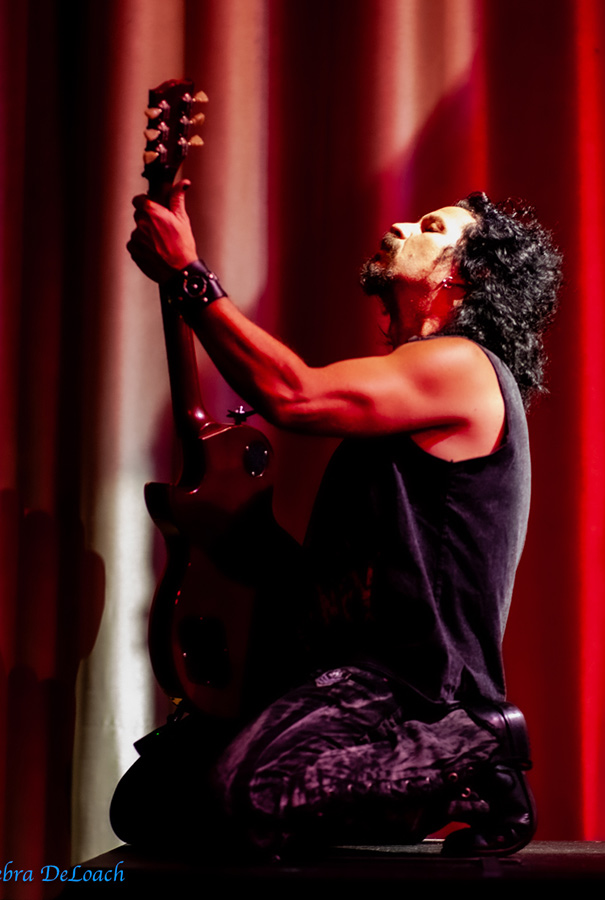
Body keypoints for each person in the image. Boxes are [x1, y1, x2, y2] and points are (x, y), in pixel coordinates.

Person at [113, 184, 562, 859]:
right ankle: (412, 784)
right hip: (335, 679)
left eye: (431, 226)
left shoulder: (463, 367)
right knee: (150, 804)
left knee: (245, 793)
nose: (399, 222)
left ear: (465, 276)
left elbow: (293, 394)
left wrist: (188, 275)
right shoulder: (411, 387)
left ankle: (478, 752)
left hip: (411, 694)